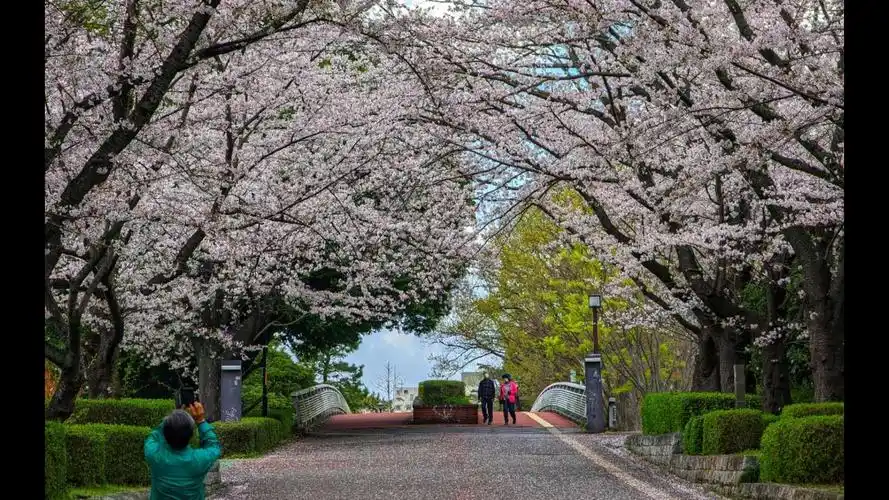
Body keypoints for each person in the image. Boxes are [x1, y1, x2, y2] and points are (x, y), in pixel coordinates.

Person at [144, 402, 222, 500]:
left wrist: (173, 419)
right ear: (191, 435)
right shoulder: (199, 459)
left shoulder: (154, 454)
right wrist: (201, 421)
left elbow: (154, 435)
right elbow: (214, 446)